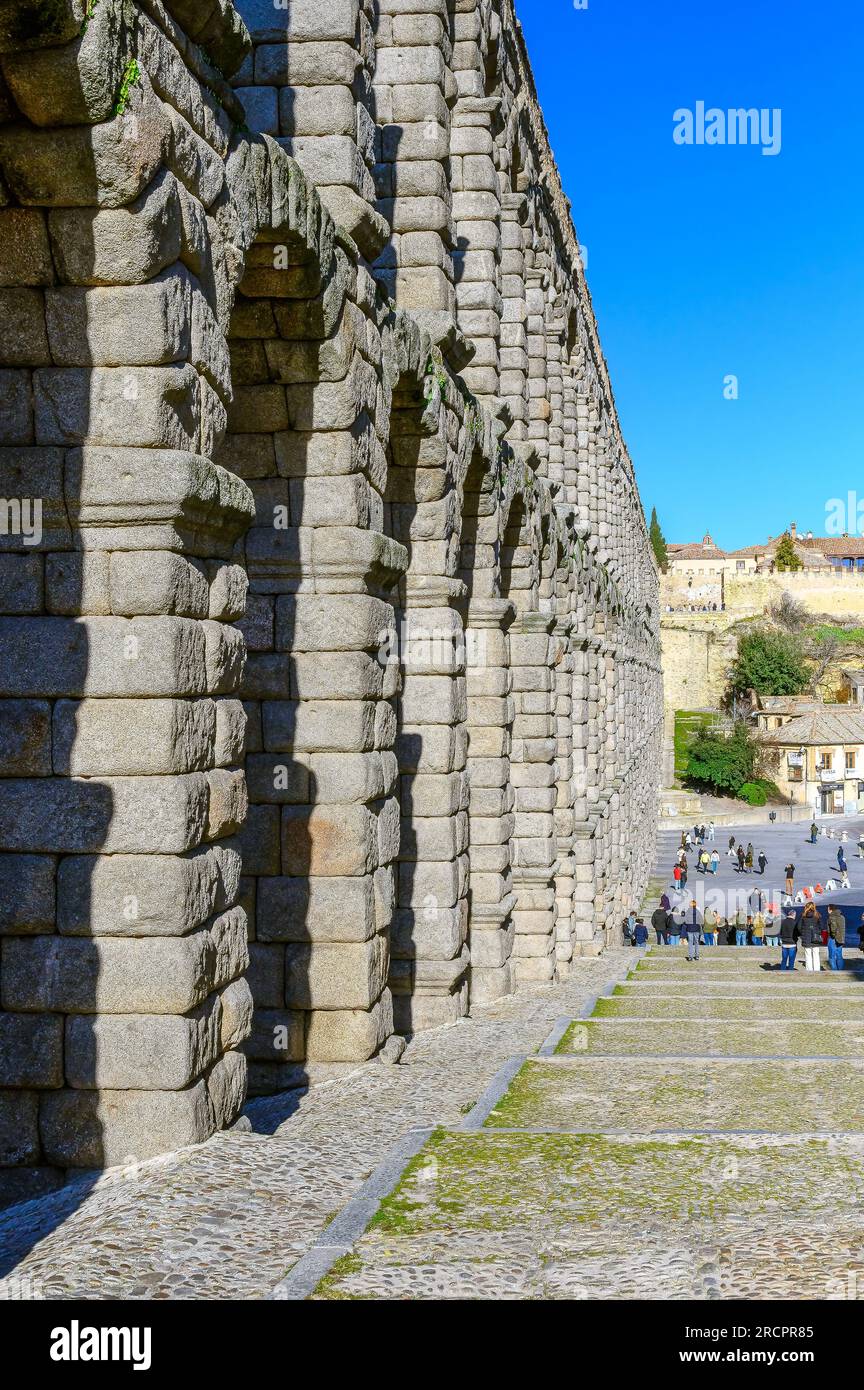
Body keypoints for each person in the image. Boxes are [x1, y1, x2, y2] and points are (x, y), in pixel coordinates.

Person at [800, 904, 822, 972]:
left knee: (808, 954)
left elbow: (798, 926)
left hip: (806, 937)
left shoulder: (803, 916)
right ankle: (817, 969)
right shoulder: (817, 915)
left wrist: (802, 933)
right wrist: (817, 931)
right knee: (816, 954)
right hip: (816, 937)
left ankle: (809, 970)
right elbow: (822, 926)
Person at [827, 905, 846, 971]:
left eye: (828, 909)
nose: (827, 911)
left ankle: (834, 971)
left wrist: (833, 935)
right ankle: (840, 971)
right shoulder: (842, 917)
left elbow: (833, 928)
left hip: (833, 938)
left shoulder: (831, 917)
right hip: (841, 938)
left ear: (830, 909)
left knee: (831, 957)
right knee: (839, 956)